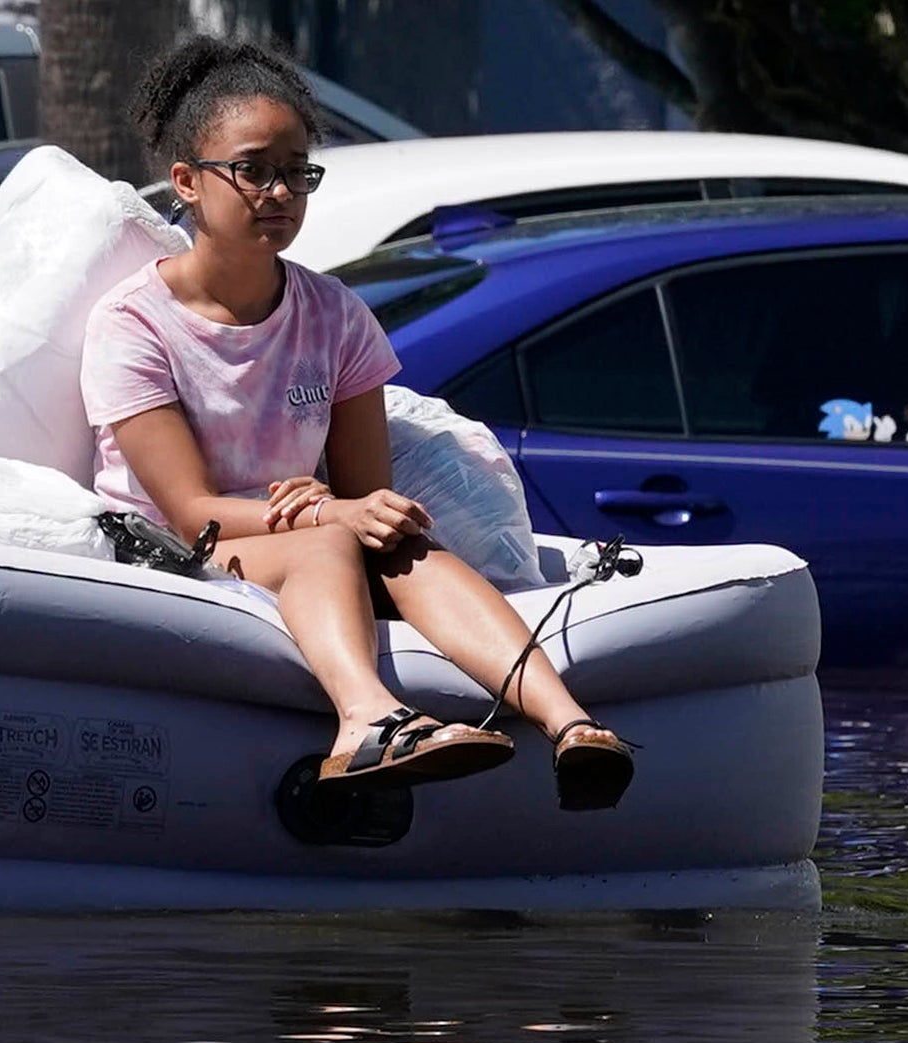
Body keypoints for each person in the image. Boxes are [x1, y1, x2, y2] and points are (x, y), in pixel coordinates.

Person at [83, 38, 634, 809]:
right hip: (180, 554)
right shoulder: (133, 325)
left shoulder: (334, 313)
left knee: (401, 540)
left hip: (304, 539)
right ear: (187, 183)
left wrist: (357, 511)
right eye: (253, 170)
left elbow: (365, 491)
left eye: (297, 172)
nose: (279, 192)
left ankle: (570, 723)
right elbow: (191, 512)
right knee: (330, 541)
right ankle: (368, 723)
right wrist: (331, 511)